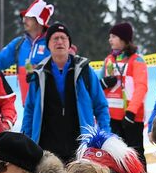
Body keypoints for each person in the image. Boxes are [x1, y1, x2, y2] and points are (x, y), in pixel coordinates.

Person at [21, 22, 111, 164]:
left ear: (69, 44)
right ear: (48, 45)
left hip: (81, 145)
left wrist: (105, 135)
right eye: (55, 38)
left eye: (63, 38)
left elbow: (100, 105)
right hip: (46, 147)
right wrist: (25, 138)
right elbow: (30, 110)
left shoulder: (85, 71)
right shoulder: (38, 74)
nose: (59, 42)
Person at [102, 21, 150, 173]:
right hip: (112, 118)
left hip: (131, 119)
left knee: (136, 158)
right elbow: (99, 87)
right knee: (114, 159)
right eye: (110, 36)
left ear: (124, 39)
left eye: (113, 36)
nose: (110, 40)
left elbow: (141, 87)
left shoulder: (136, 61)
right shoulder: (109, 60)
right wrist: (103, 83)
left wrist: (131, 111)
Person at [0, 0, 55, 103]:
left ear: (39, 21)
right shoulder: (19, 44)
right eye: (24, 18)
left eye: (28, 18)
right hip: (28, 109)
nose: (24, 21)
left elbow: (65, 68)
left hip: (51, 109)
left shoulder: (53, 42)